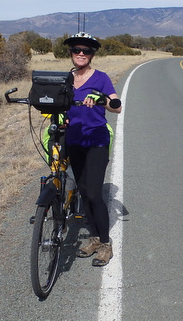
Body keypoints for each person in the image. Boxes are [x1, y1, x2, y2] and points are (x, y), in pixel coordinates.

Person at [63, 32, 122, 267]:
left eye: (86, 51)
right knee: (84, 190)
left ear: (92, 55)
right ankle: (95, 238)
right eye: (77, 50)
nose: (81, 54)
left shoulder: (101, 78)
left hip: (96, 141)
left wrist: (101, 98)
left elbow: (115, 106)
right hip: (74, 140)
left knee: (95, 194)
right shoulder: (66, 78)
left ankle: (106, 243)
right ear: (71, 53)